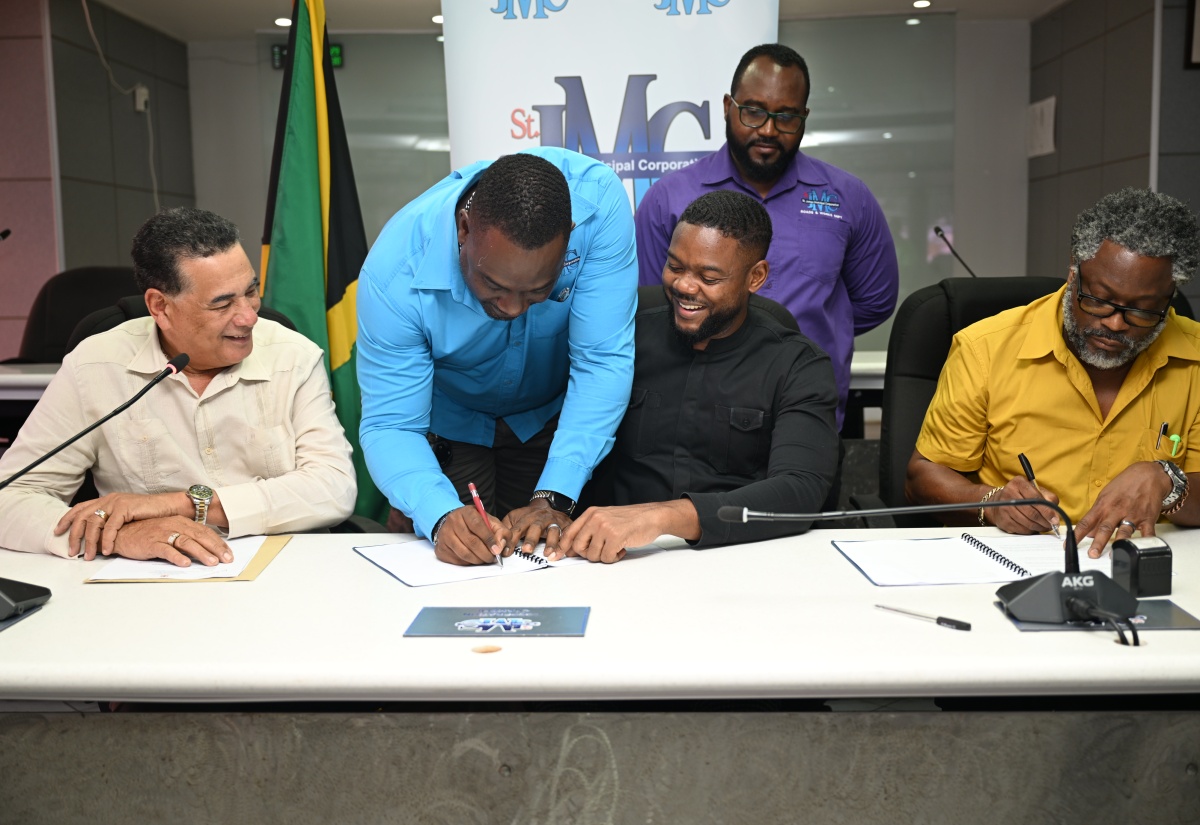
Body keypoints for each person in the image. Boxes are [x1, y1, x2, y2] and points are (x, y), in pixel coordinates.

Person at [0, 207, 357, 564]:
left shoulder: (293, 356)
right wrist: (121, 534)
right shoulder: (95, 365)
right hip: (151, 582)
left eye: (251, 292)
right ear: (160, 306)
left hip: (287, 572)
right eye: (222, 303)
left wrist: (178, 505)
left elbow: (333, 488)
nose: (249, 316)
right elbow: (11, 498)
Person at [358, 149, 636, 566]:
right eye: (492, 285)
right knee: (465, 556)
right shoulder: (393, 274)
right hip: (453, 423)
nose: (512, 307)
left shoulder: (598, 208)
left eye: (538, 291)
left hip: (552, 420)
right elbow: (390, 424)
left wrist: (553, 494)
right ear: (464, 229)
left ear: (571, 236)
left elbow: (601, 361)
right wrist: (440, 514)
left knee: (547, 558)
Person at [906, 188, 1200, 557]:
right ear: (1074, 272)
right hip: (1014, 559)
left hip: (1153, 562)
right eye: (1097, 298)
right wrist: (990, 502)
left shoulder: (1195, 359)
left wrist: (1167, 482)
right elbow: (922, 477)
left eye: (1142, 310)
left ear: (1169, 297)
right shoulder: (986, 349)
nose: (1114, 323)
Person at [557, 191, 840, 563]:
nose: (684, 286)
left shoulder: (797, 365)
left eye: (709, 276)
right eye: (675, 266)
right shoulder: (619, 340)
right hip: (617, 561)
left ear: (755, 277)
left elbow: (800, 490)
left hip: (741, 560)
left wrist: (664, 517)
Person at [634, 43, 898, 430]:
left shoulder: (847, 197)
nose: (769, 130)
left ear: (804, 117)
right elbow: (651, 306)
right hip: (694, 421)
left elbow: (875, 301)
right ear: (728, 106)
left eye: (786, 116)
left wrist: (814, 329)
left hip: (807, 412)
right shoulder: (669, 197)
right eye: (754, 111)